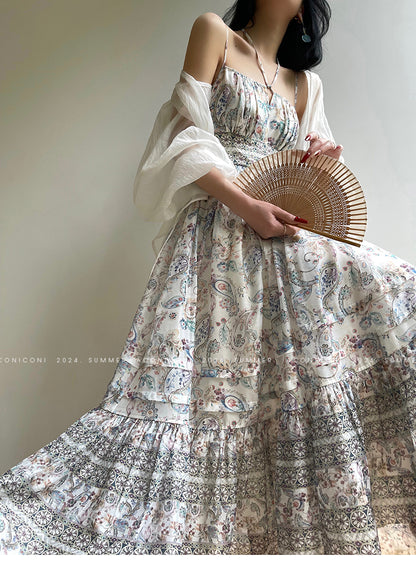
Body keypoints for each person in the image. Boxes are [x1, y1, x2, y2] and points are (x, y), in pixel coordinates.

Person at [1, 0, 416, 556]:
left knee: (375, 306)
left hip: (280, 243)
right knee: (197, 395)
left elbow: (314, 183)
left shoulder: (306, 86)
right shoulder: (214, 32)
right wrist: (246, 205)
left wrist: (318, 156)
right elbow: (185, 138)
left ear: (305, 11)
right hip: (218, 234)